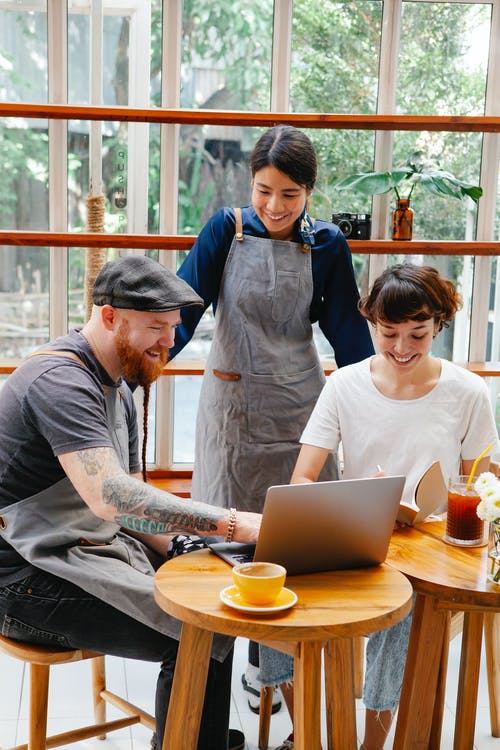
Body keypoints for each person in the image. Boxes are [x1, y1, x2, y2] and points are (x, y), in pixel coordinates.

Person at [0, 254, 261, 750]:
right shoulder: (60, 381)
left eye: (174, 327)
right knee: (198, 632)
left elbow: (136, 508)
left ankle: (193, 734)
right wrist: (234, 525)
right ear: (109, 316)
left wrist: (184, 548)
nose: (169, 341)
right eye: (156, 327)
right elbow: (111, 497)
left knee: (215, 605)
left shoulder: (118, 388)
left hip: (79, 554)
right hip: (21, 581)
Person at [170, 124, 375, 708]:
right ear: (249, 183)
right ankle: (214, 670)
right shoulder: (225, 231)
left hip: (300, 407)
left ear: (310, 190)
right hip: (232, 412)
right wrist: (146, 361)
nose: (275, 206)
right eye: (264, 190)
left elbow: (347, 335)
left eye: (290, 194)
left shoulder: (328, 244)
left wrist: (382, 388)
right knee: (226, 538)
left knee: (297, 542)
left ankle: (273, 670)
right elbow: (185, 310)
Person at [256, 262, 500, 750]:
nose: (403, 348)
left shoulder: (468, 391)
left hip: (433, 546)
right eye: (389, 333)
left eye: (418, 333)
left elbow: (483, 484)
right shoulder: (345, 384)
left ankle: (371, 741)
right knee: (267, 585)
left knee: (402, 607)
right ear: (370, 321)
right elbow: (303, 476)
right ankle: (304, 732)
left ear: (438, 326)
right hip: (358, 535)